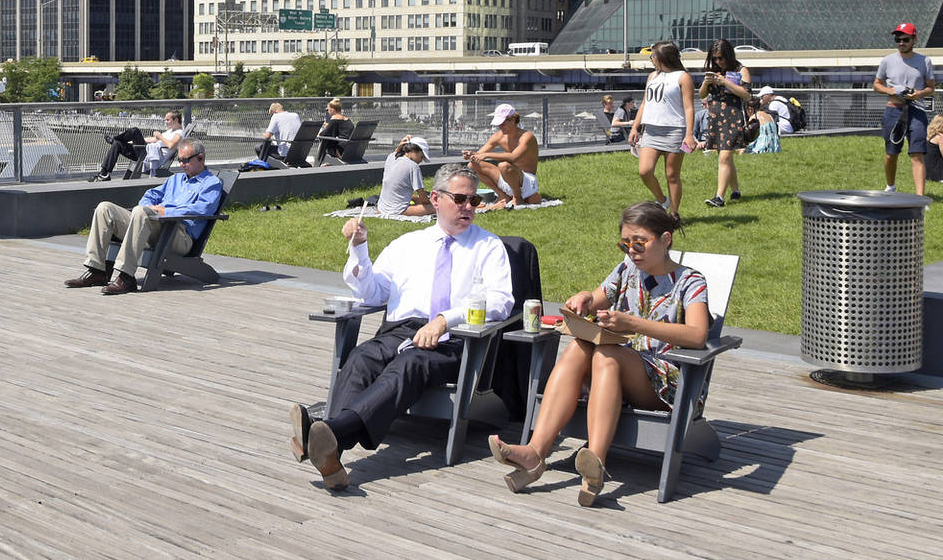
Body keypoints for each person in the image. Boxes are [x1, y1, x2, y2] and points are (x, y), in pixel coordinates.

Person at [287, 168, 514, 490]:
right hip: (400, 329)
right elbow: (372, 293)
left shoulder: (488, 247)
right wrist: (359, 249)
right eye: (460, 199)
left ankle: (327, 433)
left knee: (410, 363)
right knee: (362, 357)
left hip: (453, 338)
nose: (468, 207)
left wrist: (444, 320)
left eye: (474, 200)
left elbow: (501, 302)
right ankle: (331, 448)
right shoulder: (407, 244)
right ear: (435, 199)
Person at [489, 201, 709, 507]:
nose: (632, 251)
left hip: (669, 382)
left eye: (640, 243)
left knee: (606, 355)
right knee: (581, 347)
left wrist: (633, 323)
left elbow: (698, 336)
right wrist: (583, 299)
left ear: (665, 239)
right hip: (617, 371)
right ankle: (535, 453)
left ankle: (596, 464)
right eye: (625, 244)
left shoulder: (690, 282)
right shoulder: (626, 271)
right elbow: (595, 300)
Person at [63, 140, 224, 295]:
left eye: (186, 160)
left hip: (179, 236)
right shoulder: (175, 179)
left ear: (201, 158)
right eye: (180, 160)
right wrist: (149, 207)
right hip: (155, 226)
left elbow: (202, 209)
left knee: (141, 212)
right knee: (105, 208)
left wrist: (164, 212)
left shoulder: (211, 183)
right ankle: (97, 270)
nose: (182, 164)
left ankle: (126, 277)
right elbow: (150, 195)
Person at [631, 42, 697, 213]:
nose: (651, 59)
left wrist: (689, 134)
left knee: (672, 175)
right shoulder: (652, 76)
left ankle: (674, 214)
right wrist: (635, 127)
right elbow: (645, 103)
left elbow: (689, 107)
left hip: (674, 131)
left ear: (662, 58)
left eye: (653, 56)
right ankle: (662, 200)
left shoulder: (683, 77)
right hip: (651, 130)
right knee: (644, 171)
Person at [875, 23, 936, 196]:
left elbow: (931, 87)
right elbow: (876, 85)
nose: (901, 42)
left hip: (916, 110)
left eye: (905, 39)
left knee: (917, 154)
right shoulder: (887, 60)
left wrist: (918, 94)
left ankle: (920, 197)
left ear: (914, 40)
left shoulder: (924, 61)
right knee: (891, 154)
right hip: (893, 110)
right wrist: (891, 90)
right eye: (898, 39)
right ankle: (890, 187)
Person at [700, 41, 754, 209]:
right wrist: (706, 82)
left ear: (729, 56)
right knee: (724, 156)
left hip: (732, 116)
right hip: (716, 116)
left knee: (724, 157)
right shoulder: (715, 71)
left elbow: (746, 95)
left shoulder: (741, 70)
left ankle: (719, 197)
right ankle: (735, 190)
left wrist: (724, 82)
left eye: (721, 58)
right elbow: (702, 94)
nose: (718, 62)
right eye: (715, 58)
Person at [464, 103, 542, 208]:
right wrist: (471, 155)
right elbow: (479, 155)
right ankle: (503, 195)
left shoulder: (527, 137)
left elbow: (514, 157)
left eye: (502, 123)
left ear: (513, 120)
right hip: (506, 178)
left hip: (527, 182)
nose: (499, 126)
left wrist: (486, 155)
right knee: (471, 165)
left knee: (504, 165)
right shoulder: (498, 136)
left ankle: (517, 197)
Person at [375, 141, 431, 217]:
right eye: (422, 157)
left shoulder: (391, 158)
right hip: (398, 210)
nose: (422, 160)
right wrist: (430, 204)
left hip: (381, 209)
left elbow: (396, 151)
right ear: (414, 151)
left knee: (415, 198)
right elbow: (422, 195)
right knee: (436, 208)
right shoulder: (413, 166)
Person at [255, 100, 304, 165]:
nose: (272, 115)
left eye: (272, 113)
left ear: (275, 111)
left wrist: (264, 134)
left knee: (258, 147)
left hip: (285, 152)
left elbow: (267, 136)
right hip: (299, 151)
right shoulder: (295, 115)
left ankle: (264, 166)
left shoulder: (276, 116)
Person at [314, 99, 355, 165]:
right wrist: (329, 126)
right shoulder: (347, 119)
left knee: (325, 140)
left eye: (328, 109)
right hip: (351, 147)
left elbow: (323, 134)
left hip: (341, 149)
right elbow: (343, 130)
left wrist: (322, 131)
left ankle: (318, 162)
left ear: (333, 109)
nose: (328, 111)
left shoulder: (335, 118)